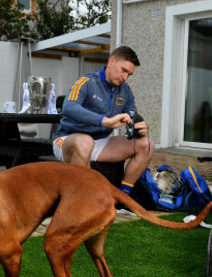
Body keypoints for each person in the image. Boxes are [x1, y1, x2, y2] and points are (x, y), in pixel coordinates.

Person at [52, 46, 155, 196]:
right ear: (112, 61)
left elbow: (132, 116)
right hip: (68, 141)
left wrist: (141, 127)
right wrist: (104, 121)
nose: (125, 77)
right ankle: (85, 199)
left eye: (129, 74)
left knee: (147, 145)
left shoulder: (125, 90)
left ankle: (122, 197)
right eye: (123, 70)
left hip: (100, 143)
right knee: (85, 142)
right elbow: (68, 107)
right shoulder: (86, 81)